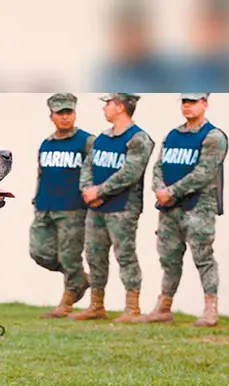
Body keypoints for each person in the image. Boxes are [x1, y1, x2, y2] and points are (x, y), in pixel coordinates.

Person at [140, 93, 229, 327]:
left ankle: (211, 308)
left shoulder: (213, 137)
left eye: (193, 101)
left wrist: (172, 192)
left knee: (203, 257)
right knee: (168, 259)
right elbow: (158, 166)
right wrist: (160, 190)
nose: (187, 106)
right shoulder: (172, 135)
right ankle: (164, 306)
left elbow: (204, 173)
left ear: (205, 104)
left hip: (199, 207)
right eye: (184, 101)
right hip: (169, 209)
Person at [71, 93, 154, 322]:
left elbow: (130, 173)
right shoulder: (102, 138)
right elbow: (88, 165)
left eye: (108, 103)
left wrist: (100, 191)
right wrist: (88, 190)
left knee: (125, 256)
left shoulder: (138, 139)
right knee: (94, 255)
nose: (104, 108)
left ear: (120, 106)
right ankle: (96, 305)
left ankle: (132, 308)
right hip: (96, 208)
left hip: (123, 208)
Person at [30, 93, 95, 318]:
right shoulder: (46, 144)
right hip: (44, 206)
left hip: (73, 209)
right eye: (60, 113)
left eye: (69, 113)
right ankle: (79, 279)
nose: (65, 117)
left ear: (75, 114)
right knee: (39, 252)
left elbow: (95, 174)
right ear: (52, 116)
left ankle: (66, 304)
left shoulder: (87, 141)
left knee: (70, 256)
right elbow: (41, 174)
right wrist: (36, 200)